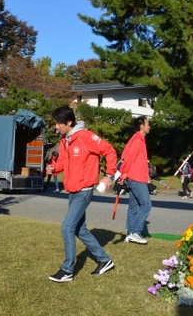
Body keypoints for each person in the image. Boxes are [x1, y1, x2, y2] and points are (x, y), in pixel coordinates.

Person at [46, 105, 118, 283]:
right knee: (80, 229)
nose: (56, 126)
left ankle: (67, 270)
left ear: (69, 122)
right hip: (72, 191)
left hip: (84, 191)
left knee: (67, 228)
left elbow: (110, 150)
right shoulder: (65, 140)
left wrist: (109, 176)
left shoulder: (85, 136)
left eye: (58, 123)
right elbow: (63, 161)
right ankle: (104, 260)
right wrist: (55, 167)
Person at [117, 116, 152, 245]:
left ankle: (130, 232)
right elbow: (128, 158)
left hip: (136, 177)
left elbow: (126, 155)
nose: (149, 126)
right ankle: (135, 232)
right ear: (142, 126)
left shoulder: (137, 139)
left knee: (134, 206)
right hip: (136, 178)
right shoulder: (137, 140)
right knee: (146, 204)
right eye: (148, 124)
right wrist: (123, 174)